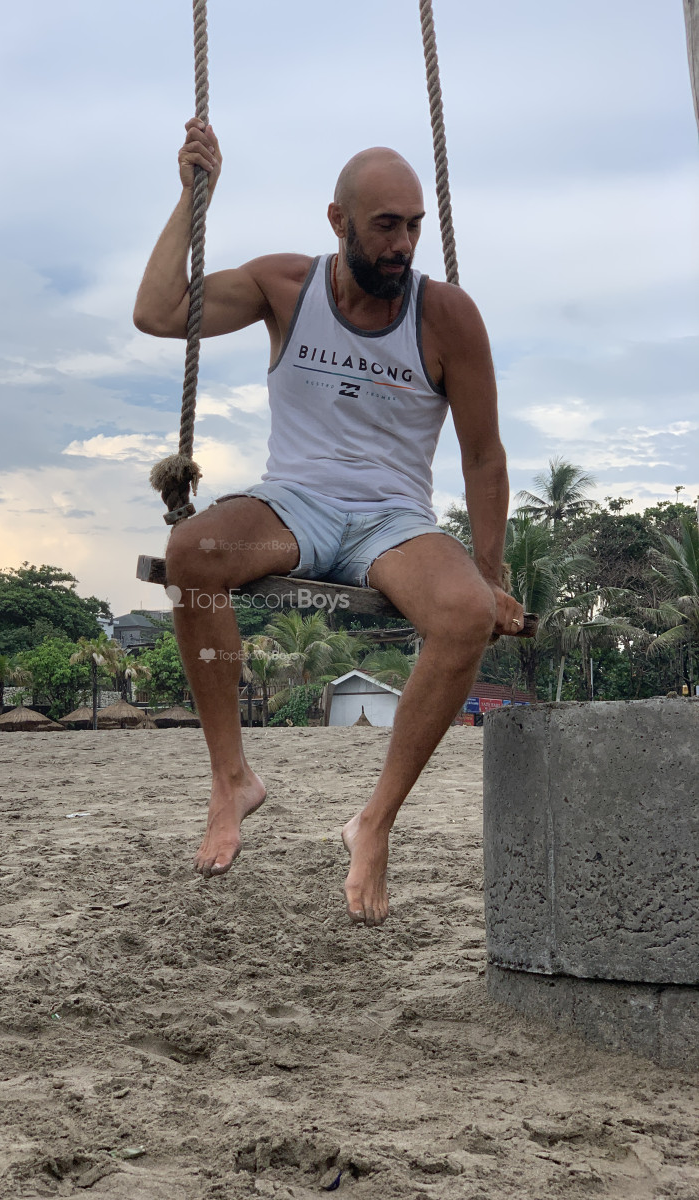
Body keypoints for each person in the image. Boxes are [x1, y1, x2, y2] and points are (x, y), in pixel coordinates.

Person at [133, 120, 524, 926]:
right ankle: (232, 779)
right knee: (191, 553)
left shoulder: (447, 315)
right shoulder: (285, 286)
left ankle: (373, 822)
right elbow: (158, 312)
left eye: (413, 225)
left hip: (393, 520)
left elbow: (483, 456)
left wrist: (492, 574)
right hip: (295, 504)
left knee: (465, 614)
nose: (403, 244)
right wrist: (192, 195)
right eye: (386, 226)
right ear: (338, 221)